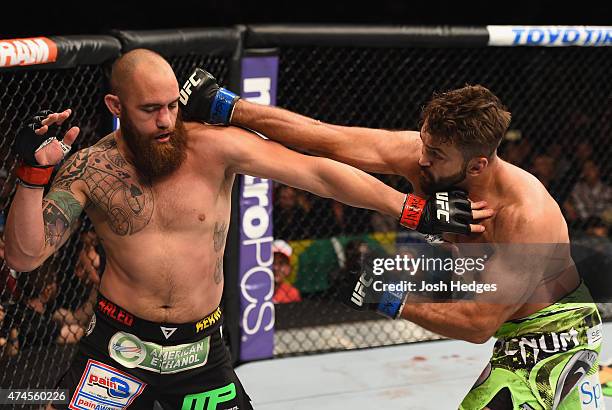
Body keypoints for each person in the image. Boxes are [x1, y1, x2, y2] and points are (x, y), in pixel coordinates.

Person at [4, 49, 486, 410]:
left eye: (173, 104)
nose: (168, 120)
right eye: (150, 109)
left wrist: (410, 208)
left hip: (199, 348)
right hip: (116, 346)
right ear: (116, 104)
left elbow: (316, 171)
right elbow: (25, 256)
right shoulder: (92, 169)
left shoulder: (213, 147)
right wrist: (32, 175)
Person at [181, 69, 604, 409]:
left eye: (435, 156)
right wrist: (230, 107)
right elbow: (325, 136)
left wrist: (392, 297)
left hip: (555, 333)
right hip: (504, 315)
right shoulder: (426, 155)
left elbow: (479, 324)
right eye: (424, 143)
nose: (420, 159)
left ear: (477, 165)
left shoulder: (524, 216)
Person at [271, 239, 301, 304]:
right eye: (272, 262)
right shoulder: (257, 290)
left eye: (281, 263)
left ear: (288, 269)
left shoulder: (292, 293)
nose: (275, 268)